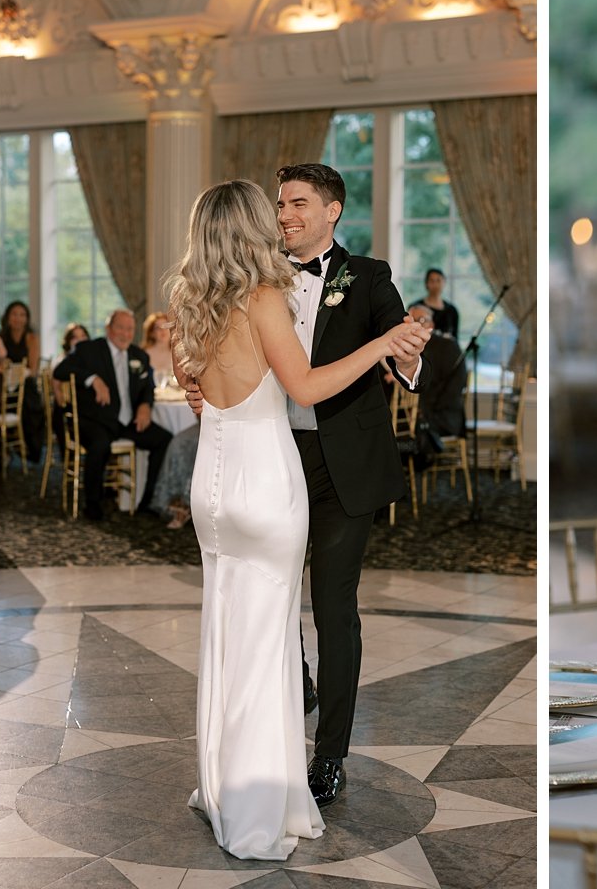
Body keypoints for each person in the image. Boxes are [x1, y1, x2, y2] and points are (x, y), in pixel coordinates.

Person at [166, 179, 426, 860]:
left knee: (228, 634)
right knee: (269, 642)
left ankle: (222, 783)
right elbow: (305, 386)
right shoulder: (262, 297)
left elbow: (195, 387)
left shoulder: (191, 299)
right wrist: (380, 347)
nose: (282, 217)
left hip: (213, 490)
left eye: (295, 205)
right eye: (272, 209)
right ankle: (258, 807)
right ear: (253, 224)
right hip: (266, 482)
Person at [52, 310, 172, 521]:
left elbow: (147, 386)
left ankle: (146, 501)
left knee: (163, 439)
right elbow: (60, 370)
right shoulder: (89, 350)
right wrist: (92, 379)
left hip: (127, 421)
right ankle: (93, 503)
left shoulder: (139, 356)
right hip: (96, 419)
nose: (125, 334)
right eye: (120, 328)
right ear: (109, 329)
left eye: (130, 329)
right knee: (99, 444)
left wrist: (145, 405)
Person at [408, 302, 467, 437]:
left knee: (412, 430)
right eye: (412, 320)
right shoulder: (407, 348)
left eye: (422, 320)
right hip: (415, 413)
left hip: (443, 415)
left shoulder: (447, 346)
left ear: (432, 324)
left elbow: (456, 385)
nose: (417, 324)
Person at [0, 301, 44, 461]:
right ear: (8, 317)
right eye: (14, 314)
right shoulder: (1, 337)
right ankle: (0, 450)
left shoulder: (31, 338)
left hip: (26, 384)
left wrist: (18, 373)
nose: (18, 318)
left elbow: (33, 369)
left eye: (22, 315)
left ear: (26, 318)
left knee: (27, 403)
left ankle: (29, 449)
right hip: (5, 383)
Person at [420, 267, 460, 338]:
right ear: (426, 283)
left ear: (444, 283)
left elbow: (454, 338)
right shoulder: (417, 308)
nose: (435, 284)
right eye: (432, 281)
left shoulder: (452, 310)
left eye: (438, 280)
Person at [142, 312, 176, 383]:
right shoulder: (143, 355)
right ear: (151, 333)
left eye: (165, 326)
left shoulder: (178, 354)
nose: (162, 330)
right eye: (158, 328)